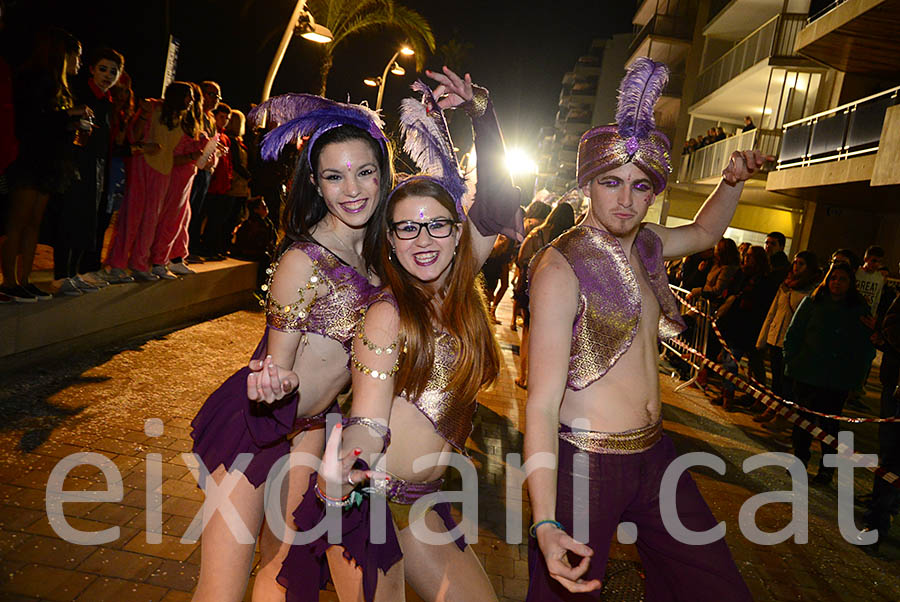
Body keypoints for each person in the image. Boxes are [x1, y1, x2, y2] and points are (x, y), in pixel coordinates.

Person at [524, 58, 764, 600]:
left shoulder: (649, 245)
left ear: (654, 190)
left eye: (640, 185)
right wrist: (543, 521)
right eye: (611, 183)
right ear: (588, 184)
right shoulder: (561, 267)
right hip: (586, 464)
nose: (626, 200)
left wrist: (731, 182)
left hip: (655, 456)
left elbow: (704, 232)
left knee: (715, 586)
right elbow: (539, 403)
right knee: (565, 591)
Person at [279, 67, 522, 602]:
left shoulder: (462, 286)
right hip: (367, 502)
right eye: (406, 227)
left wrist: (483, 112)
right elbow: (367, 415)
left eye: (437, 223)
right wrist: (349, 469)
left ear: (459, 233)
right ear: (389, 239)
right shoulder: (388, 313)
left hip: (426, 503)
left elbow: (500, 200)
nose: (424, 239)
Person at [189, 94, 395, 602]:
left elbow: (473, 226)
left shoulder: (384, 254)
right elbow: (276, 370)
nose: (351, 190)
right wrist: (275, 382)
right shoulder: (304, 260)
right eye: (333, 177)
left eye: (364, 172)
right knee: (221, 588)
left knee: (284, 574)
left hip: (313, 432)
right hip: (254, 424)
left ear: (382, 175)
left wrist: (480, 115)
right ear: (315, 185)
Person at [1, 27, 91, 302]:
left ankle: (24, 281)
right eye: (77, 56)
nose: (80, 62)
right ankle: (9, 281)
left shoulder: (61, 85)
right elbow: (32, 121)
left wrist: (76, 126)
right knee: (17, 222)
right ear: (63, 54)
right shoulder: (33, 78)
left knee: (34, 224)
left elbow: (55, 122)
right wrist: (69, 115)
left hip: (51, 161)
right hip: (29, 159)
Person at [785, 261, 875, 486]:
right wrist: (793, 362)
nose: (836, 283)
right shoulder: (812, 302)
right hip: (807, 372)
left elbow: (864, 347)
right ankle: (800, 460)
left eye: (842, 279)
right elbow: (794, 333)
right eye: (833, 278)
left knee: (830, 428)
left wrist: (856, 378)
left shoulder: (859, 309)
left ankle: (826, 470)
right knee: (802, 423)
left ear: (850, 283)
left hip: (836, 379)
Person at [50, 46, 123, 295]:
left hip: (98, 165)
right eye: (103, 69)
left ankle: (74, 272)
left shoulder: (108, 102)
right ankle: (61, 275)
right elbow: (59, 123)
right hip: (75, 163)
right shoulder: (79, 94)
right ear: (91, 69)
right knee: (71, 216)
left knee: (88, 220)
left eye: (113, 71)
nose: (108, 75)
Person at [104, 82, 191, 281]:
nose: (190, 101)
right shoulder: (154, 109)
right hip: (143, 165)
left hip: (163, 171)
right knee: (131, 217)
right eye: (188, 96)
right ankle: (117, 264)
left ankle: (139, 264)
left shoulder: (180, 119)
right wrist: (144, 115)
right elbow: (133, 135)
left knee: (151, 221)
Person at [147, 83, 208, 279]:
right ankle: (158, 260)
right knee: (170, 220)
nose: (192, 102)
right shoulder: (172, 121)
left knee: (182, 219)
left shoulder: (188, 122)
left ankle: (176, 257)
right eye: (190, 97)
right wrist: (194, 153)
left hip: (186, 178)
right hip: (175, 178)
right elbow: (171, 155)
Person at [514, 201, 575, 389]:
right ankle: (541, 378)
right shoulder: (572, 239)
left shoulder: (537, 233)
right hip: (560, 294)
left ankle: (523, 376)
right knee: (550, 337)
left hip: (532, 289)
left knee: (528, 332)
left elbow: (520, 259)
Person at [753, 250, 819, 423]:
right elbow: (773, 311)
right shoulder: (786, 284)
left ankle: (784, 415)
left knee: (787, 382)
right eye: (795, 262)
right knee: (776, 379)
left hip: (792, 342)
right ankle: (773, 408)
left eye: (802, 263)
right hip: (776, 337)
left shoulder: (813, 289)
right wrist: (763, 338)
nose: (796, 266)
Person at [712, 245, 776, 410]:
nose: (746, 258)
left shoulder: (765, 279)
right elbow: (730, 293)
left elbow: (761, 305)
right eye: (745, 255)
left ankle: (758, 398)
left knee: (752, 366)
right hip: (734, 325)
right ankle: (727, 394)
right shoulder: (741, 274)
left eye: (750, 256)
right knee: (730, 363)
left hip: (751, 327)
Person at [510, 199, 551, 331]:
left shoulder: (527, 222)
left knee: (519, 291)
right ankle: (524, 318)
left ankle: (513, 320)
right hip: (538, 264)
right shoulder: (544, 226)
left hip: (523, 258)